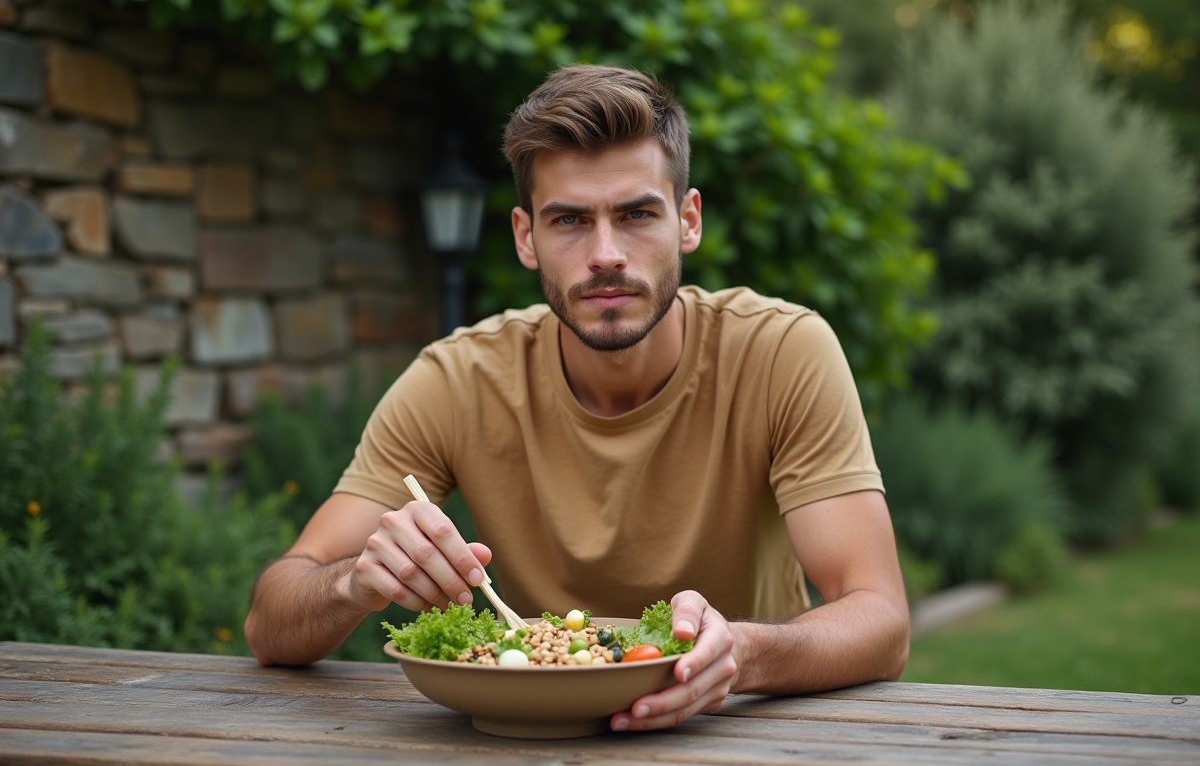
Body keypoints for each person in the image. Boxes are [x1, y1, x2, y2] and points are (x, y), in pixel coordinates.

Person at [245, 65, 909, 732]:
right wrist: (352, 584)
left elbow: (879, 618)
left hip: (734, 737)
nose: (606, 254)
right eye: (569, 220)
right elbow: (269, 624)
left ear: (688, 221)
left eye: (637, 214)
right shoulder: (456, 380)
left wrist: (744, 652)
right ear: (526, 237)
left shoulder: (781, 353)